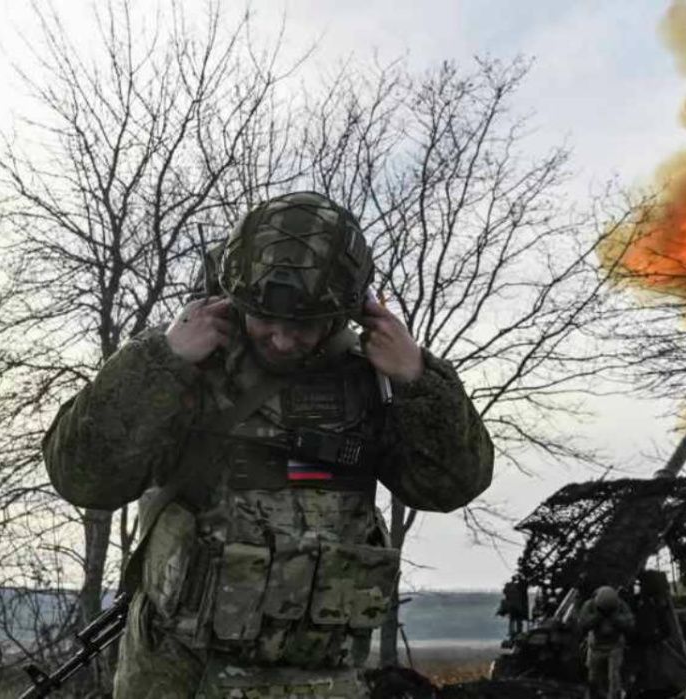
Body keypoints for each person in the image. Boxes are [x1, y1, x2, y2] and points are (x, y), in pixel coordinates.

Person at [43, 191, 494, 698]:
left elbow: (451, 486)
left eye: (303, 326)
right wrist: (158, 360)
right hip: (180, 680)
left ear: (350, 311)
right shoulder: (185, 363)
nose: (281, 339)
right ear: (232, 295)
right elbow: (82, 476)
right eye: (264, 319)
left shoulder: (375, 378)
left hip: (321, 683)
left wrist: (418, 378)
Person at [576, 586, 635, 699]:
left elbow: (630, 624)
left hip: (615, 646)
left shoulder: (621, 605)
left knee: (614, 678)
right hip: (595, 647)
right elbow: (583, 624)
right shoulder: (589, 605)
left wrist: (615, 618)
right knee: (593, 677)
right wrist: (598, 616)